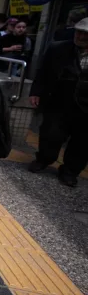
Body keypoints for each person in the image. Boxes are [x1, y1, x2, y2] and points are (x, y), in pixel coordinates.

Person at [27, 17, 88, 187]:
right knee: (50, 134)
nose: (81, 36)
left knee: (82, 143)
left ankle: (70, 171)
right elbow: (43, 72)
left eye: (86, 34)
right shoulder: (58, 48)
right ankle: (43, 159)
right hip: (58, 101)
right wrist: (36, 92)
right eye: (79, 32)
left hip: (85, 108)